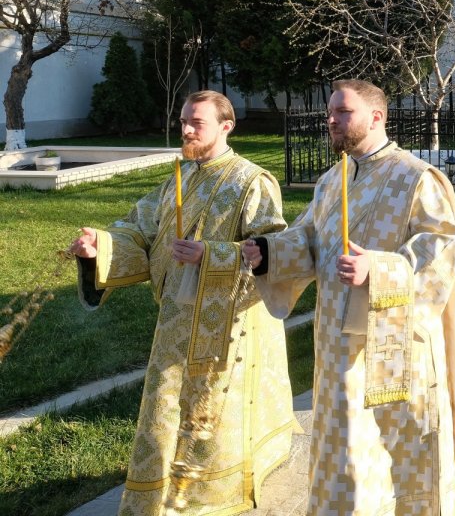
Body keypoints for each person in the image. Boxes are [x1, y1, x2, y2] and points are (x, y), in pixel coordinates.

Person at [240, 79, 455, 514]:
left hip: (391, 347)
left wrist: (380, 269)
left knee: (388, 444)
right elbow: (308, 237)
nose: (331, 120)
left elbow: (440, 250)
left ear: (377, 117)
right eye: (331, 112)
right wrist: (268, 252)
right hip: (336, 343)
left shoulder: (417, 178)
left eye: (343, 112)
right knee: (343, 443)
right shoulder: (332, 180)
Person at [68, 90, 293, 515]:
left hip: (226, 326)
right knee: (165, 411)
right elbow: (139, 229)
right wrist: (100, 244)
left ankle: (207, 496)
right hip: (174, 319)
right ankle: (161, 493)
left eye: (197, 123)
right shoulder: (180, 175)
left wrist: (213, 254)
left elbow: (272, 250)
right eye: (184, 121)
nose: (186, 130)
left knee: (211, 417)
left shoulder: (252, 181)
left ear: (226, 127)